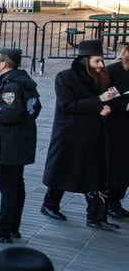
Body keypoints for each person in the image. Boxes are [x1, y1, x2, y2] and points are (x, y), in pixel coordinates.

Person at [41, 39, 121, 230]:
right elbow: (68, 105)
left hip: (94, 134)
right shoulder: (65, 77)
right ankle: (50, 204)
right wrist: (98, 102)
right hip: (70, 134)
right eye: (97, 62)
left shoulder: (100, 76)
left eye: (102, 61)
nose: (101, 66)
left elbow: (100, 101)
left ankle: (96, 216)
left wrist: (104, 107)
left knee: (96, 176)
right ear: (85, 61)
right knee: (62, 172)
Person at [0, 48, 41, 243]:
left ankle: (3, 228)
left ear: (4, 64)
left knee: (8, 187)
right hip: (19, 142)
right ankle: (12, 226)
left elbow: (9, 114)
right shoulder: (25, 82)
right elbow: (35, 108)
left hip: (8, 144)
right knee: (16, 185)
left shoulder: (11, 86)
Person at [106, 43, 129, 218]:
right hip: (117, 127)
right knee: (117, 167)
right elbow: (104, 97)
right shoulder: (113, 71)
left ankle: (117, 200)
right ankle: (110, 202)